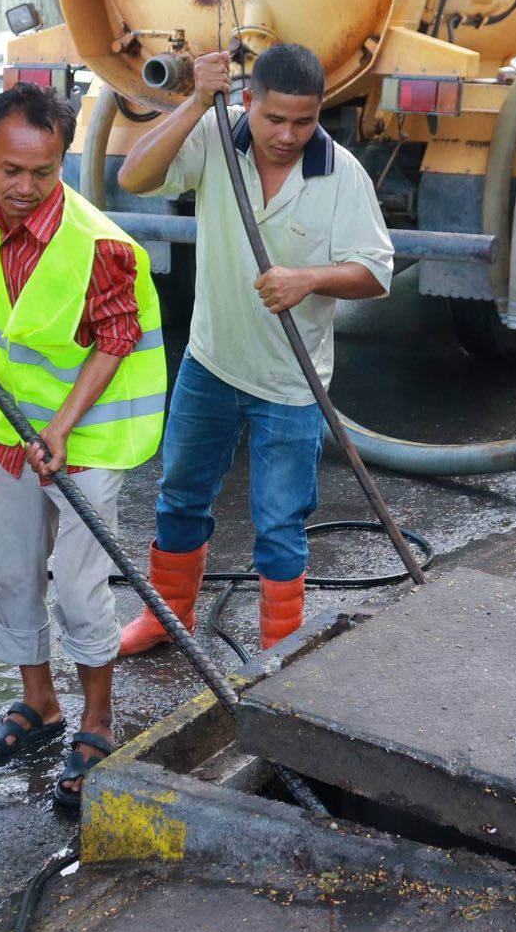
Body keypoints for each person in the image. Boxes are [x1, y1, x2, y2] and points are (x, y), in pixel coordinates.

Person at [0, 83, 166, 813]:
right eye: (11, 170)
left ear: (62, 159)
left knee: (79, 587)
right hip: (18, 430)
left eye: (43, 171)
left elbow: (116, 339)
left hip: (87, 437)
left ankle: (97, 721)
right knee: (11, 573)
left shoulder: (100, 245)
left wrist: (62, 427)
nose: (26, 188)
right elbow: (18, 310)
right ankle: (40, 704)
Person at [115, 43, 394, 654]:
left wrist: (310, 279)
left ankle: (281, 650)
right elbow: (133, 177)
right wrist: (196, 100)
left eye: (304, 121)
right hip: (210, 363)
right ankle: (168, 617)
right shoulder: (215, 136)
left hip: (292, 384)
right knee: (180, 496)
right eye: (275, 119)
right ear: (248, 101)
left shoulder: (341, 174)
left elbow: (377, 273)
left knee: (280, 521)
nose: (288, 135)